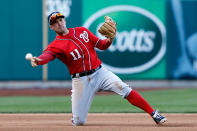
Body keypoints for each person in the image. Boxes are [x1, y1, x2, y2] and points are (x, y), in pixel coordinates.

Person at [29, 12, 167, 126]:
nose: (59, 23)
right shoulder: (56, 45)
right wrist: (39, 60)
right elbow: (47, 55)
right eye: (55, 22)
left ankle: (153, 113)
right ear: (51, 27)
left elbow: (101, 45)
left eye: (60, 19)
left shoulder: (82, 31)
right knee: (79, 122)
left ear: (64, 20)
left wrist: (110, 39)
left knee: (124, 88)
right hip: (81, 80)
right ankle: (75, 113)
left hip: (100, 72)